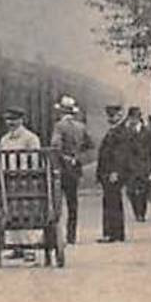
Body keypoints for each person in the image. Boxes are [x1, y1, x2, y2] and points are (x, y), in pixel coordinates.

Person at [51, 97, 93, 246]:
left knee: (56, 203)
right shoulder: (81, 127)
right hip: (75, 170)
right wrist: (77, 158)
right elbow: (90, 145)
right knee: (72, 204)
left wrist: (64, 159)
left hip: (61, 169)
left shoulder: (59, 126)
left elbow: (56, 146)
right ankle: (71, 236)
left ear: (61, 111)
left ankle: (55, 235)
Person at [96, 104, 131, 242]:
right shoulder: (115, 131)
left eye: (113, 116)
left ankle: (112, 233)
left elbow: (120, 155)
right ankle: (115, 233)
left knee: (112, 202)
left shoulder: (120, 132)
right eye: (109, 116)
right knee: (112, 201)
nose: (110, 118)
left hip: (112, 173)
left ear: (119, 116)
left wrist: (115, 171)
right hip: (109, 173)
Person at [124, 106, 150, 222]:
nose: (134, 120)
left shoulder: (147, 132)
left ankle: (141, 213)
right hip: (129, 166)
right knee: (130, 191)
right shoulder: (125, 131)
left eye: (136, 117)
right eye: (132, 118)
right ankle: (136, 210)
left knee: (143, 190)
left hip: (143, 165)